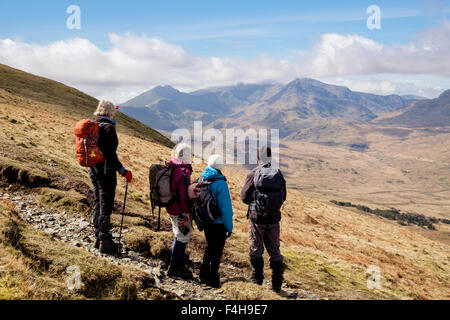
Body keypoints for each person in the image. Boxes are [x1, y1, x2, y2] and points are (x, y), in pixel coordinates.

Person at [241, 146, 286, 293]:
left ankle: (256, 279)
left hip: (257, 218)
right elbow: (283, 196)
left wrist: (257, 203)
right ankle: (277, 284)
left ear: (259, 157)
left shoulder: (253, 174)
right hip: (273, 218)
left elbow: (244, 197)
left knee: (256, 247)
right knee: (274, 250)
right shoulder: (278, 174)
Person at [90, 100, 132, 254]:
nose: (114, 113)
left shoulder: (94, 125)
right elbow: (110, 154)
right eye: (113, 111)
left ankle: (98, 236)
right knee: (105, 204)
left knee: (97, 202)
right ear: (109, 112)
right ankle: (105, 241)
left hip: (93, 169)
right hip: (106, 172)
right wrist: (123, 171)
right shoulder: (109, 127)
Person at [199, 154, 234, 288]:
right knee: (217, 251)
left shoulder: (201, 179)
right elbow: (225, 209)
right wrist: (229, 227)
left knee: (209, 247)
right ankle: (213, 278)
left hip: (207, 221)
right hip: (218, 224)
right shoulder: (221, 184)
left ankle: (203, 274)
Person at [166, 143, 193, 279]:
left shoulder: (172, 166)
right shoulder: (184, 171)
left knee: (178, 234)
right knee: (183, 236)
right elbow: (183, 194)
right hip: (180, 210)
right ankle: (175, 268)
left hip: (171, 207)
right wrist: (187, 211)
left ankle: (174, 263)